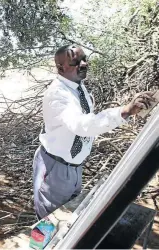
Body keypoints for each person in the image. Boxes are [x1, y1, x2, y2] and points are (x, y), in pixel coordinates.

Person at [33, 45, 156, 220]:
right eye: (76, 61)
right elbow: (82, 125)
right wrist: (125, 111)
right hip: (56, 170)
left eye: (85, 59)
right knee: (51, 222)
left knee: (68, 216)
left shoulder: (77, 85)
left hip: (73, 167)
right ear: (61, 67)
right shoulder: (57, 94)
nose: (84, 64)